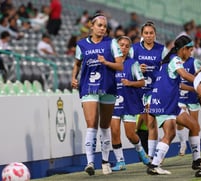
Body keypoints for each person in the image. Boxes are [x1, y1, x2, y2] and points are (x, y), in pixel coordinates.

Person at [71, 14, 123, 176]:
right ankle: (90, 162)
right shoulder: (81, 45)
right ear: (91, 26)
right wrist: (73, 77)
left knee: (105, 126)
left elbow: (120, 66)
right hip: (88, 87)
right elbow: (77, 63)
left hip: (108, 87)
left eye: (104, 26)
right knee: (92, 123)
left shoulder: (112, 43)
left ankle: (105, 161)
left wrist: (106, 62)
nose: (102, 28)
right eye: (99, 25)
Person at [147, 35, 201, 175]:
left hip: (169, 103)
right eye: (190, 50)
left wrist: (194, 88)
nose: (191, 53)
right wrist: (200, 83)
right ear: (184, 49)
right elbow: (184, 75)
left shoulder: (168, 61)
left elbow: (178, 84)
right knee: (170, 133)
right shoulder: (176, 60)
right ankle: (154, 165)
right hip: (166, 103)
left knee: (194, 126)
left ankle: (197, 161)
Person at [110, 36, 150, 171]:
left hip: (129, 102)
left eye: (127, 46)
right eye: (121, 45)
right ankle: (120, 162)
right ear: (116, 46)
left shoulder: (133, 64)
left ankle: (141, 151)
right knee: (114, 131)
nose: (123, 48)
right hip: (114, 102)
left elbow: (142, 82)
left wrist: (130, 83)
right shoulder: (111, 63)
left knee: (130, 134)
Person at [131, 21, 167, 158]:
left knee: (151, 121)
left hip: (154, 90)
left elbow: (168, 67)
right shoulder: (134, 49)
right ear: (142, 35)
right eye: (146, 33)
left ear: (155, 34)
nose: (148, 36)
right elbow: (126, 65)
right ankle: (152, 153)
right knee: (147, 122)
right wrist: (137, 68)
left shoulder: (162, 50)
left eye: (151, 33)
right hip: (139, 90)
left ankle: (152, 156)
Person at [177, 56, 201, 156]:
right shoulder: (176, 61)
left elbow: (198, 75)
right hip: (180, 95)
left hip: (192, 95)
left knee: (194, 124)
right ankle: (183, 143)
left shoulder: (194, 61)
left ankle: (196, 151)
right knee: (180, 121)